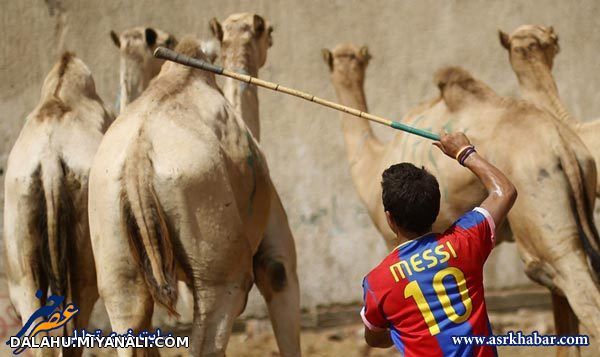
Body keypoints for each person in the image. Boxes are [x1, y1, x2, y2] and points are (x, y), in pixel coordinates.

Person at [361, 131, 517, 356]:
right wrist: (465, 152)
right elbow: (505, 191)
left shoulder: (377, 283)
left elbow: (375, 338)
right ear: (436, 209)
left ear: (389, 218)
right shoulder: (467, 240)